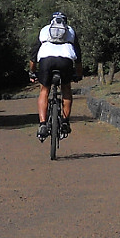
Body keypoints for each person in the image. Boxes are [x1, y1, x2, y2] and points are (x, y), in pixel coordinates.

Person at [28, 11, 82, 141]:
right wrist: (78, 74)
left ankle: (42, 124)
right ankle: (64, 122)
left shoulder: (44, 30)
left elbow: (33, 54)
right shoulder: (70, 31)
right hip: (66, 61)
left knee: (44, 91)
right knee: (66, 89)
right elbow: (78, 56)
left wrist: (32, 71)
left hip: (46, 61)